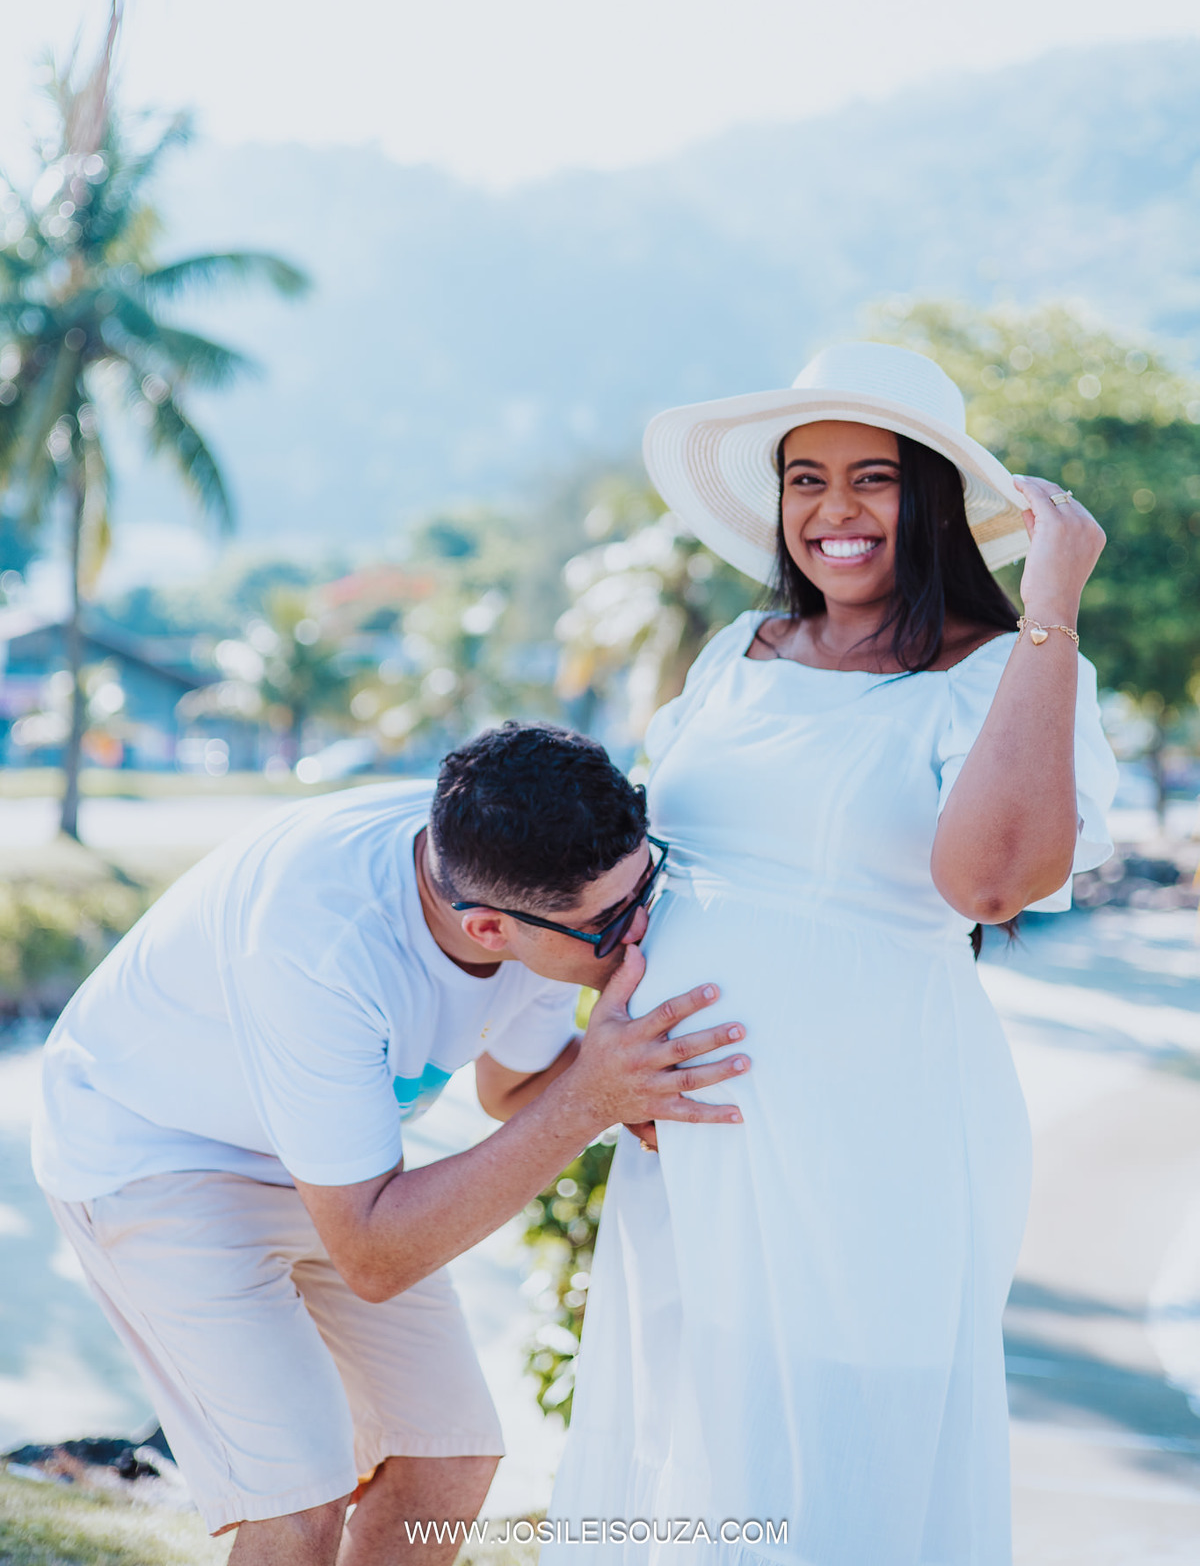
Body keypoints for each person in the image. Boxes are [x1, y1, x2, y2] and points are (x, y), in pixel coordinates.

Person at [545, 343, 1117, 1566]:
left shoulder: (1003, 672)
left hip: (880, 1128)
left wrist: (1049, 611)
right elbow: (647, 867)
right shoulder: (737, 653)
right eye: (806, 480)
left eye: (876, 478)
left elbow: (992, 882)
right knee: (694, 1433)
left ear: (941, 504)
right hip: (692, 1123)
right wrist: (604, 1045)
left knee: (851, 1451)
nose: (832, 512)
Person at [32, 722, 748, 1565]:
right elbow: (374, 1254)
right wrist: (591, 1098)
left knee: (447, 1456)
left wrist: (632, 1088)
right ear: (490, 930)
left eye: (646, 887)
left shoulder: (532, 865)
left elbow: (511, 1087)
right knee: (300, 1497)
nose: (638, 933)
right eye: (610, 923)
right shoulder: (321, 948)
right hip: (153, 1155)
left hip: (334, 1173)